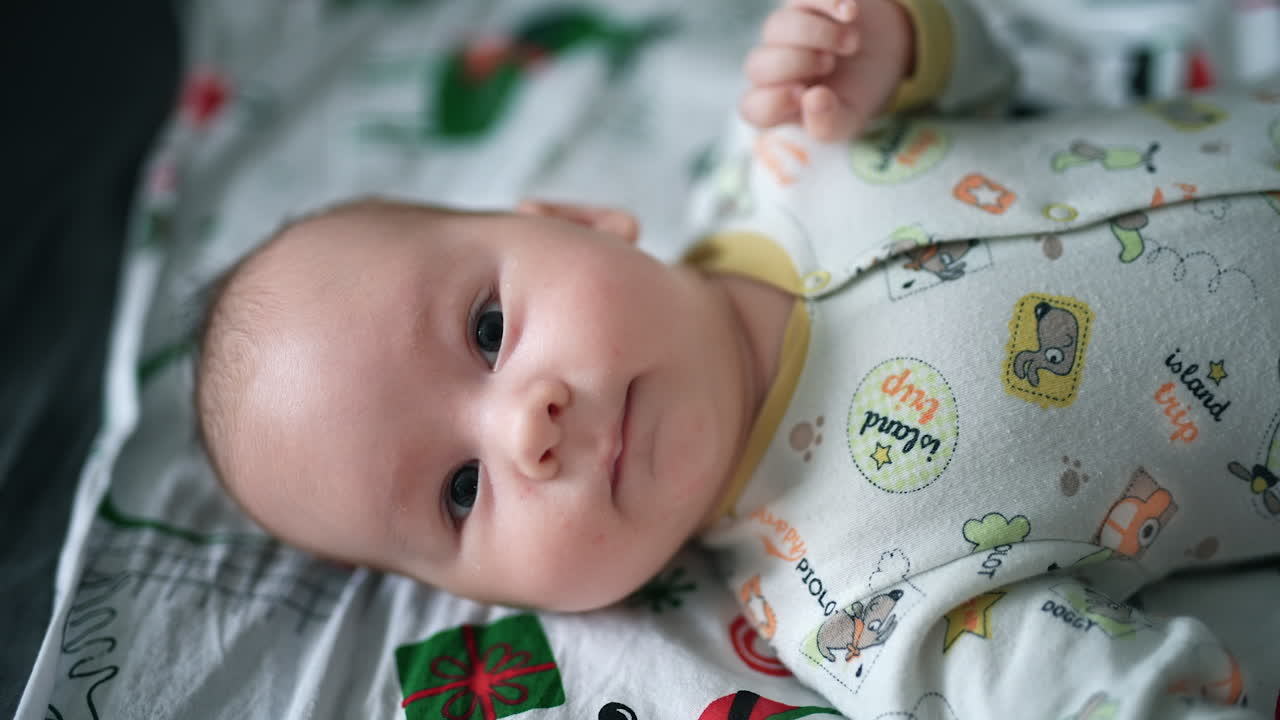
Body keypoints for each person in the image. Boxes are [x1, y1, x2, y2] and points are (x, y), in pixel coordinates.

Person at [195, 0, 1280, 716]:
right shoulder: (854, 601)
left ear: (575, 216)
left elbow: (980, 78)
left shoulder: (778, 138)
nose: (523, 428)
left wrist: (892, 41)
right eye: (460, 490)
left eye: (486, 330)